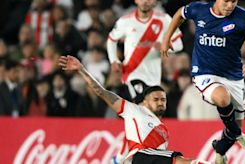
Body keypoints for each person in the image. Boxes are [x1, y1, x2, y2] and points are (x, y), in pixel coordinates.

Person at [161, 0, 245, 163]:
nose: (230, 6)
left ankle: (220, 151)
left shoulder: (242, 18)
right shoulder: (199, 10)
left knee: (234, 123)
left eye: (234, 1)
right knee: (223, 98)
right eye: (226, 0)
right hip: (205, 73)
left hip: (234, 75)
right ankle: (237, 134)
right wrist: (166, 38)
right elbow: (180, 14)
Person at [59, 55, 213, 164]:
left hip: (149, 158)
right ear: (145, 102)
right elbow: (101, 92)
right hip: (140, 157)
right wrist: (81, 69)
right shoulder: (134, 110)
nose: (160, 102)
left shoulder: (164, 131)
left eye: (163, 100)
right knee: (181, 161)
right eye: (156, 99)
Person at [107, 0, 183, 100]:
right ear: (136, 0)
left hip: (154, 75)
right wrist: (114, 60)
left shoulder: (164, 19)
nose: (145, 1)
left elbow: (179, 45)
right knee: (140, 104)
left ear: (155, 1)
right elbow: (111, 40)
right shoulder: (125, 21)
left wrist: (165, 46)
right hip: (132, 72)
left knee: (149, 112)